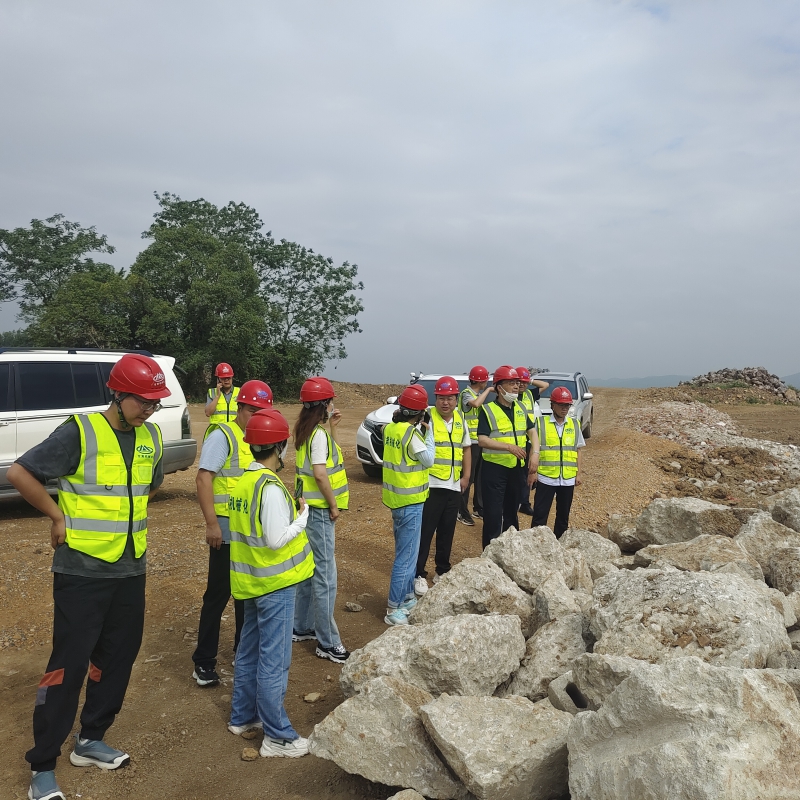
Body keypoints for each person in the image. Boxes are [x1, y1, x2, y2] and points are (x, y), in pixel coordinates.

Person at [7, 354, 170, 800]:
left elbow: (151, 483)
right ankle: (43, 764)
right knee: (69, 664)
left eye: (155, 403)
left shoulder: (151, 436)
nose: (150, 410)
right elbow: (20, 472)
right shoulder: (80, 431)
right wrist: (57, 515)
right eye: (143, 401)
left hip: (130, 566)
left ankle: (90, 738)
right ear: (117, 395)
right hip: (82, 570)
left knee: (118, 657)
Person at [227, 408, 314, 757]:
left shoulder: (243, 482)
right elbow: (277, 539)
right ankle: (277, 736)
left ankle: (243, 716)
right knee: (274, 660)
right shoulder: (271, 488)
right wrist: (302, 518)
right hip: (275, 584)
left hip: (251, 582)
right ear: (279, 447)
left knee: (249, 651)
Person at [192, 380, 274, 687]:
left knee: (246, 596)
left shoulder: (260, 438)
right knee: (217, 596)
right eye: (253, 410)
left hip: (249, 531)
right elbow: (203, 479)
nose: (257, 417)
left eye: (262, 412)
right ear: (240, 407)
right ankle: (203, 662)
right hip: (225, 531)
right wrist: (211, 524)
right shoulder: (223, 435)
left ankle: (243, 652)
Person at [292, 376, 350, 663]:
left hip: (306, 510)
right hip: (319, 512)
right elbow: (320, 473)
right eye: (330, 402)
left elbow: (331, 457)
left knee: (309, 570)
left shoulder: (308, 431)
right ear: (325, 404)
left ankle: (301, 626)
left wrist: (333, 428)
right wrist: (333, 505)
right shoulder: (317, 436)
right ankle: (328, 642)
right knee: (326, 577)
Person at [381, 384, 434, 625]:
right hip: (410, 501)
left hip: (397, 500)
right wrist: (429, 433)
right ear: (420, 413)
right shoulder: (411, 434)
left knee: (408, 553)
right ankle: (393, 609)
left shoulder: (392, 428)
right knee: (406, 557)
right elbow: (428, 459)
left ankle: (407, 597)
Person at [414, 377, 471, 595]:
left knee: (447, 530)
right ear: (435, 399)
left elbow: (466, 448)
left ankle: (443, 570)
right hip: (432, 483)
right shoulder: (427, 417)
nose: (445, 402)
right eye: (441, 398)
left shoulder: (460, 418)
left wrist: (466, 476)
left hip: (453, 484)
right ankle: (419, 573)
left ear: (456, 399)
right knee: (426, 531)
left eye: (449, 398)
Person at [477, 365, 537, 548]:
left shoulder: (520, 407)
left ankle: (512, 552)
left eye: (517, 383)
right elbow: (482, 440)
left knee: (512, 512)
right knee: (493, 515)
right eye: (511, 383)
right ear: (499, 387)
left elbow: (532, 431)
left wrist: (535, 453)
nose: (516, 386)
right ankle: (490, 554)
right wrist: (508, 447)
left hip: (517, 468)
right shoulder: (488, 410)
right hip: (494, 469)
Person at [529, 386, 585, 538]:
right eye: (561, 405)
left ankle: (560, 544)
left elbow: (578, 450)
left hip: (567, 478)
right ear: (552, 404)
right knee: (540, 515)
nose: (564, 408)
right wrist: (532, 473)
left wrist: (578, 474)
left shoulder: (574, 424)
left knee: (563, 517)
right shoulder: (540, 423)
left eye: (567, 405)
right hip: (546, 477)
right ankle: (536, 542)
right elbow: (533, 449)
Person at [458, 366, 492, 526]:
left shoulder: (477, 394)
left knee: (479, 477)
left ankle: (479, 508)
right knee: (468, 477)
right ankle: (461, 511)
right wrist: (488, 391)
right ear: (480, 381)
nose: (487, 384)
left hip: (478, 441)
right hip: (468, 442)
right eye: (486, 381)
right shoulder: (467, 394)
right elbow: (476, 404)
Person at [516, 367, 549, 516]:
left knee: (527, 472)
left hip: (529, 439)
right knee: (515, 473)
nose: (522, 384)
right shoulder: (511, 396)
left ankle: (524, 502)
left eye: (525, 382)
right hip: (515, 439)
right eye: (519, 381)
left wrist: (529, 380)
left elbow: (545, 385)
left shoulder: (530, 394)